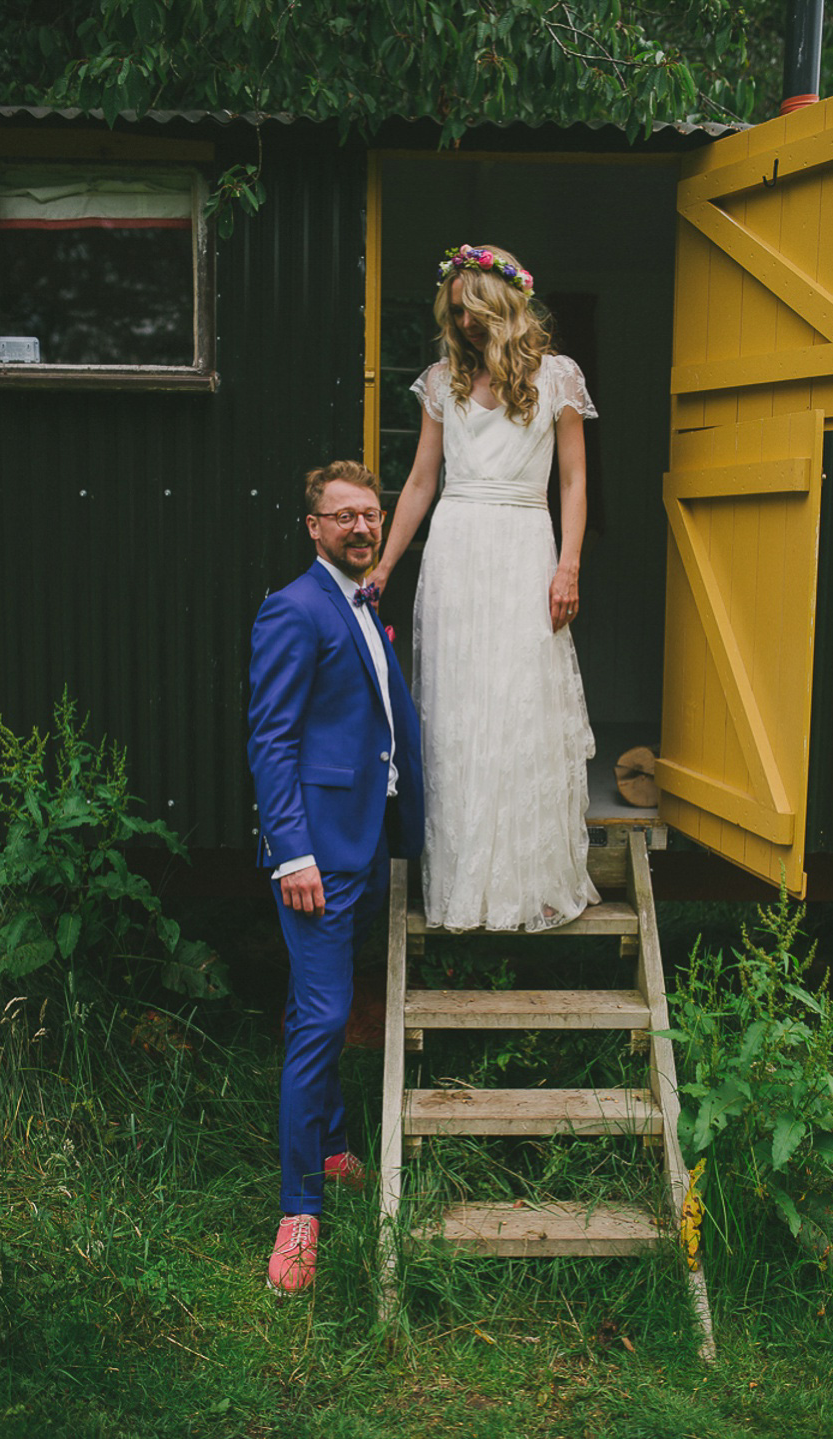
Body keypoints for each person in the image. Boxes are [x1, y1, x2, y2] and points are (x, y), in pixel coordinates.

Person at [369, 243, 600, 933]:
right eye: (455, 313)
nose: (465, 324)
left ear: (505, 306)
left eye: (474, 311)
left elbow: (574, 482)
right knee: (462, 709)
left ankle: (529, 880)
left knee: (522, 704)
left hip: (526, 545)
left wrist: (569, 566)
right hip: (458, 551)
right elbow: (419, 482)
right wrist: (384, 563)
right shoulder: (441, 382)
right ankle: (467, 876)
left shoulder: (557, 378)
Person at [247, 459, 424, 1294]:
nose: (362, 527)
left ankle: (331, 1144)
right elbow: (272, 740)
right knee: (321, 1017)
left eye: (372, 514)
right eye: (343, 516)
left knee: (314, 1005)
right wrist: (292, 853)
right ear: (313, 527)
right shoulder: (294, 608)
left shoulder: (363, 605)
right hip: (316, 858)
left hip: (364, 844)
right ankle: (298, 1213)